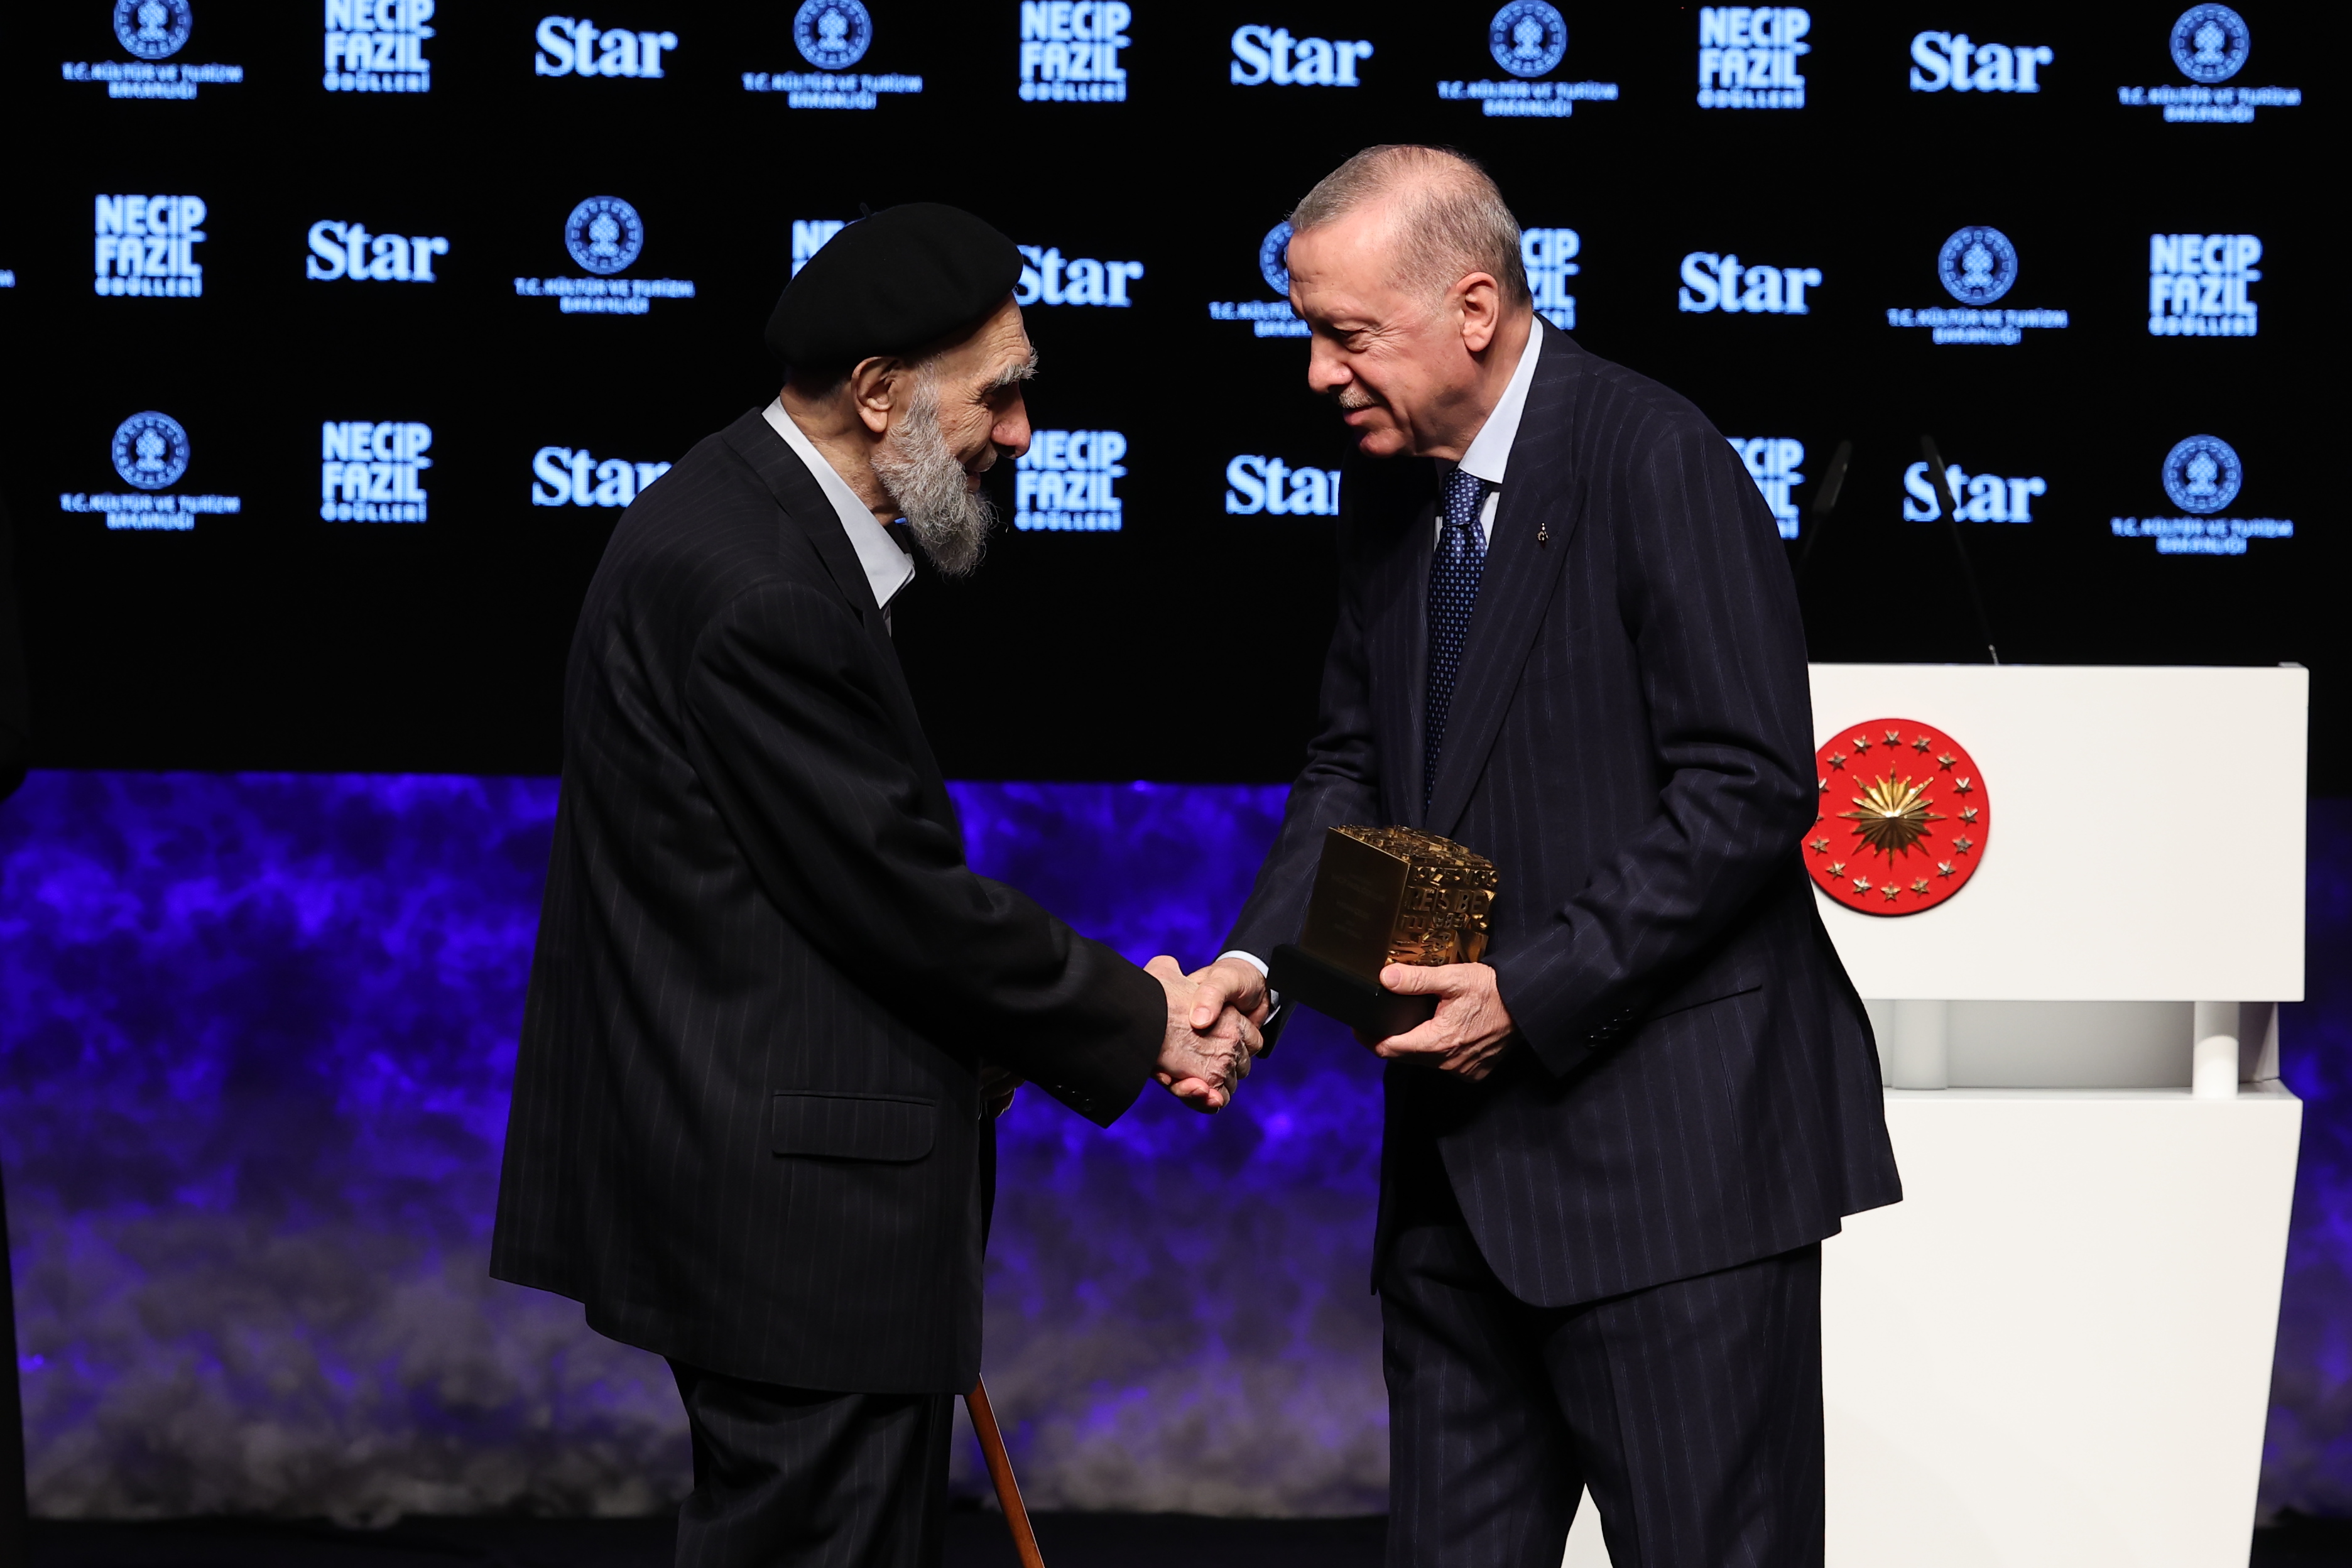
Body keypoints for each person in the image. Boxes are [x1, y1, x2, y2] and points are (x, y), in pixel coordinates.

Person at [491, 204, 1261, 1568]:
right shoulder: (760, 588)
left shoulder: (741, 509)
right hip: (799, 1230)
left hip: (768, 1197)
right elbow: (894, 901)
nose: (1023, 433)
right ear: (879, 393)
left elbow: (811, 901)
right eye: (1000, 394)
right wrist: (1145, 1020)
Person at [1187, 147, 1902, 1568]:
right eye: (1308, 334)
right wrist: (1261, 963)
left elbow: (1750, 787)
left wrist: (1528, 992)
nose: (1319, 375)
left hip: (1674, 1175)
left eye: (1348, 335)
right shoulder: (1389, 488)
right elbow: (1352, 767)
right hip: (1453, 1194)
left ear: (1473, 307)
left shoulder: (1656, 458)